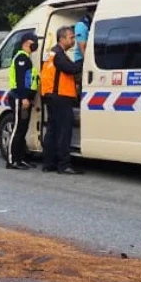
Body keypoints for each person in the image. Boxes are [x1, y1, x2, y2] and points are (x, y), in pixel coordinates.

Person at [41, 26, 83, 174]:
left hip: (52, 96)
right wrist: (84, 60)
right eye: (71, 37)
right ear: (62, 39)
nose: (73, 40)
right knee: (63, 131)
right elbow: (71, 69)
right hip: (60, 97)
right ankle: (64, 165)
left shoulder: (52, 53)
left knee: (52, 130)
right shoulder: (59, 55)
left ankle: (49, 163)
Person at [6, 32, 40, 170]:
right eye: (34, 42)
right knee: (17, 129)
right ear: (27, 42)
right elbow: (20, 80)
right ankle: (12, 160)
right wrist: (24, 98)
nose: (36, 44)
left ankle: (20, 158)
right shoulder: (21, 58)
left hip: (25, 99)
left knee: (23, 129)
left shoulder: (26, 58)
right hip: (19, 98)